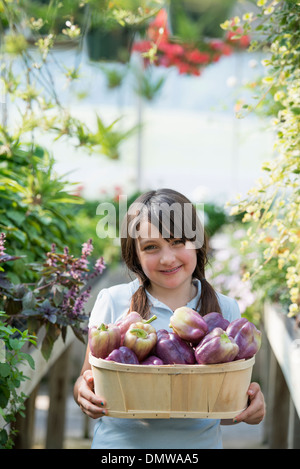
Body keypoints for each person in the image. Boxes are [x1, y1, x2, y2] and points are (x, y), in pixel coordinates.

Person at [73, 188, 265, 449]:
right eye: (151, 247)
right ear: (136, 256)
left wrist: (249, 407)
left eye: (177, 242)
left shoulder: (226, 310)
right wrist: (83, 396)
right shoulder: (113, 301)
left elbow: (222, 411)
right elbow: (86, 380)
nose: (167, 258)